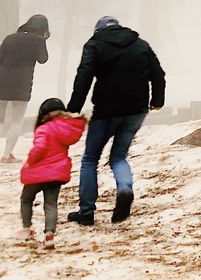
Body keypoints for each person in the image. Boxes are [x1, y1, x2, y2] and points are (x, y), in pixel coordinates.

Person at [65, 16, 166, 226]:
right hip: (136, 110)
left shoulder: (95, 45)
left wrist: (73, 107)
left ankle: (86, 211)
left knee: (90, 159)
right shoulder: (140, 44)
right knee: (119, 156)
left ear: (98, 30)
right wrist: (157, 101)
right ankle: (125, 188)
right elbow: (158, 74)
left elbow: (84, 76)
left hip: (106, 111)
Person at [16, 98, 85, 249]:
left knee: (26, 199)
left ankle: (26, 228)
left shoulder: (44, 128)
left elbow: (39, 148)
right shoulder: (65, 129)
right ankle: (49, 235)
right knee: (51, 204)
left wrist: (30, 161)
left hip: (38, 173)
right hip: (56, 174)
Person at [0, 14, 51, 163]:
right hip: (21, 85)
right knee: (17, 120)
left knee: (0, 119)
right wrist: (43, 40)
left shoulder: (10, 38)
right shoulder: (38, 40)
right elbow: (43, 59)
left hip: (2, 81)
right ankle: (6, 155)